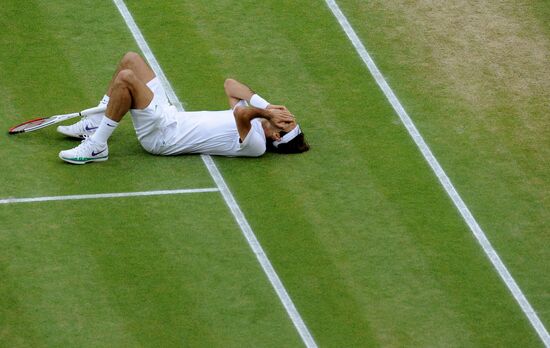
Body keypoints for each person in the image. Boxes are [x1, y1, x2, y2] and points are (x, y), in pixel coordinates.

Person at [58, 52, 309, 164]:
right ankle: (95, 123)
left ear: (276, 136)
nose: (285, 116)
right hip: (169, 117)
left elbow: (243, 113)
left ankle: (97, 146)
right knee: (131, 59)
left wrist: (265, 113)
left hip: (162, 137)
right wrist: (267, 105)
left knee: (126, 78)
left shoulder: (255, 146)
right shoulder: (258, 119)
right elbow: (230, 85)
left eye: (287, 122)